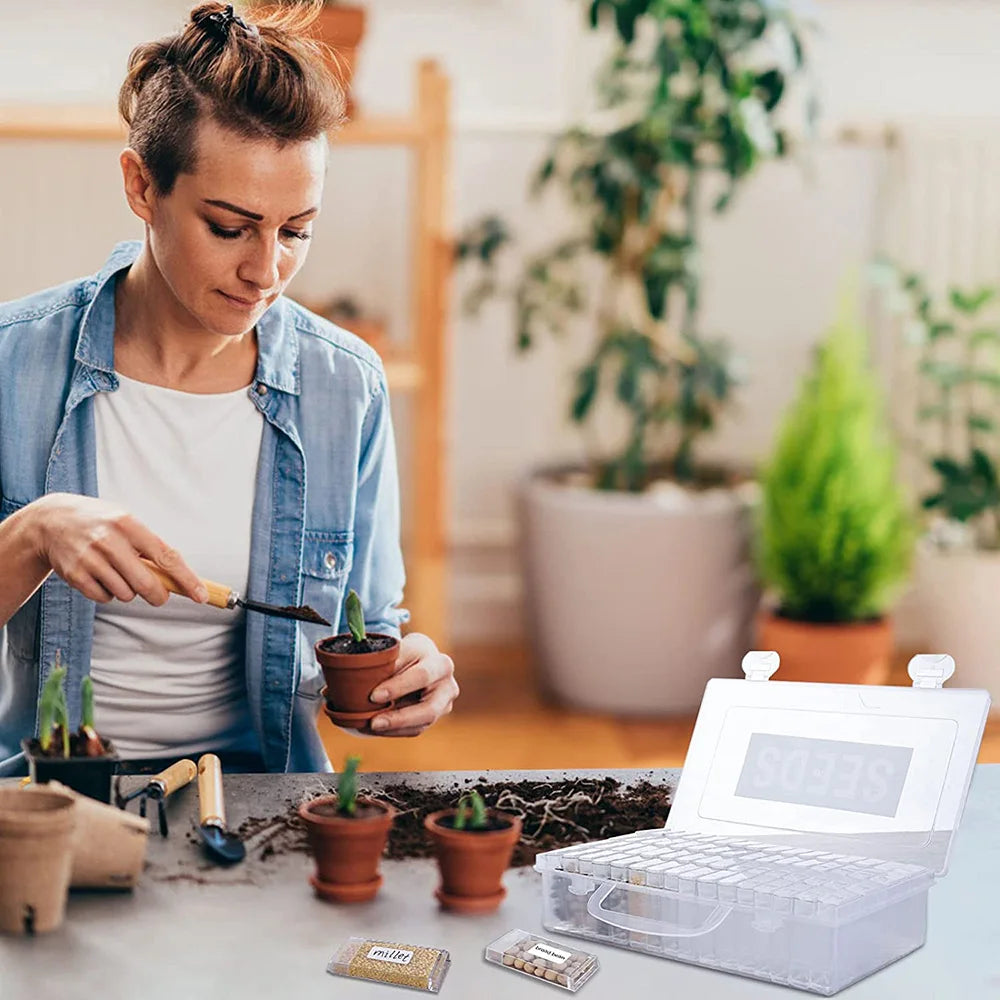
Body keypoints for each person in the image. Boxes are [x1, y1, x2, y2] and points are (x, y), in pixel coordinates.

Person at [0, 2, 458, 775]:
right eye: (228, 226)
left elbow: (368, 630)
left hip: (258, 797)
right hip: (49, 799)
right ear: (142, 186)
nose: (265, 270)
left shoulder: (343, 387)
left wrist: (412, 678)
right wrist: (32, 534)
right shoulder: (15, 363)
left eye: (297, 230)